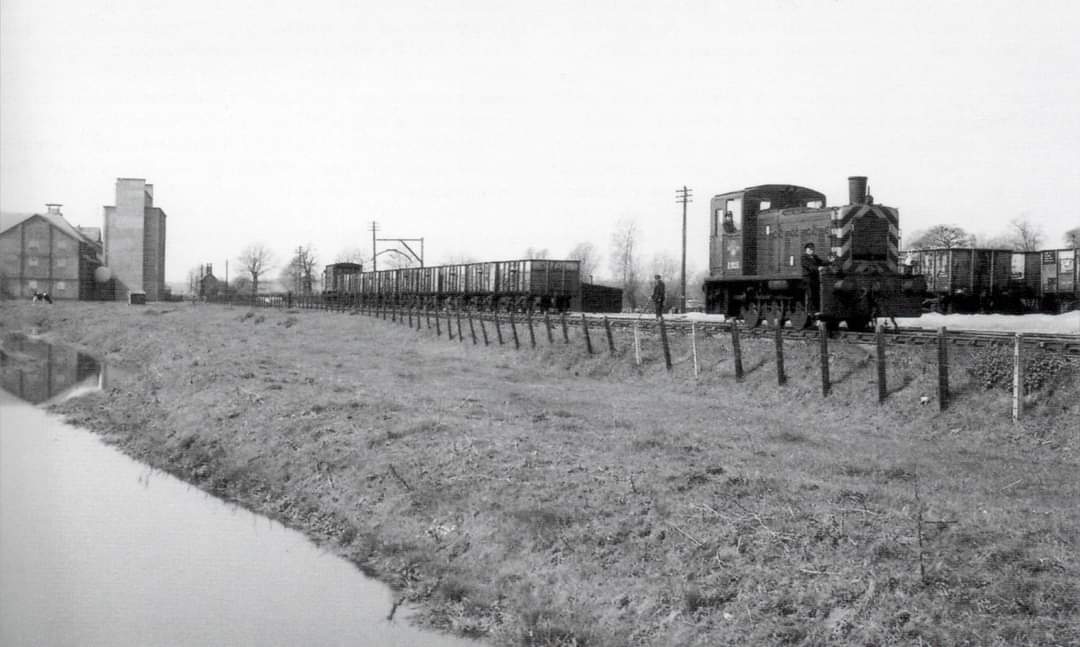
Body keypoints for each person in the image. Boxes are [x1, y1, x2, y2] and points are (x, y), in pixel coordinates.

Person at [801, 243, 828, 314]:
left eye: (812, 249)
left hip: (815, 278)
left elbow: (822, 262)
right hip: (808, 279)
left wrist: (829, 261)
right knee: (810, 295)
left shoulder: (815, 257)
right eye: (810, 249)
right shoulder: (804, 257)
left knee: (816, 294)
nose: (811, 251)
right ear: (806, 249)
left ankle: (816, 310)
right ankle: (810, 311)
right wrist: (817, 268)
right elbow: (809, 266)